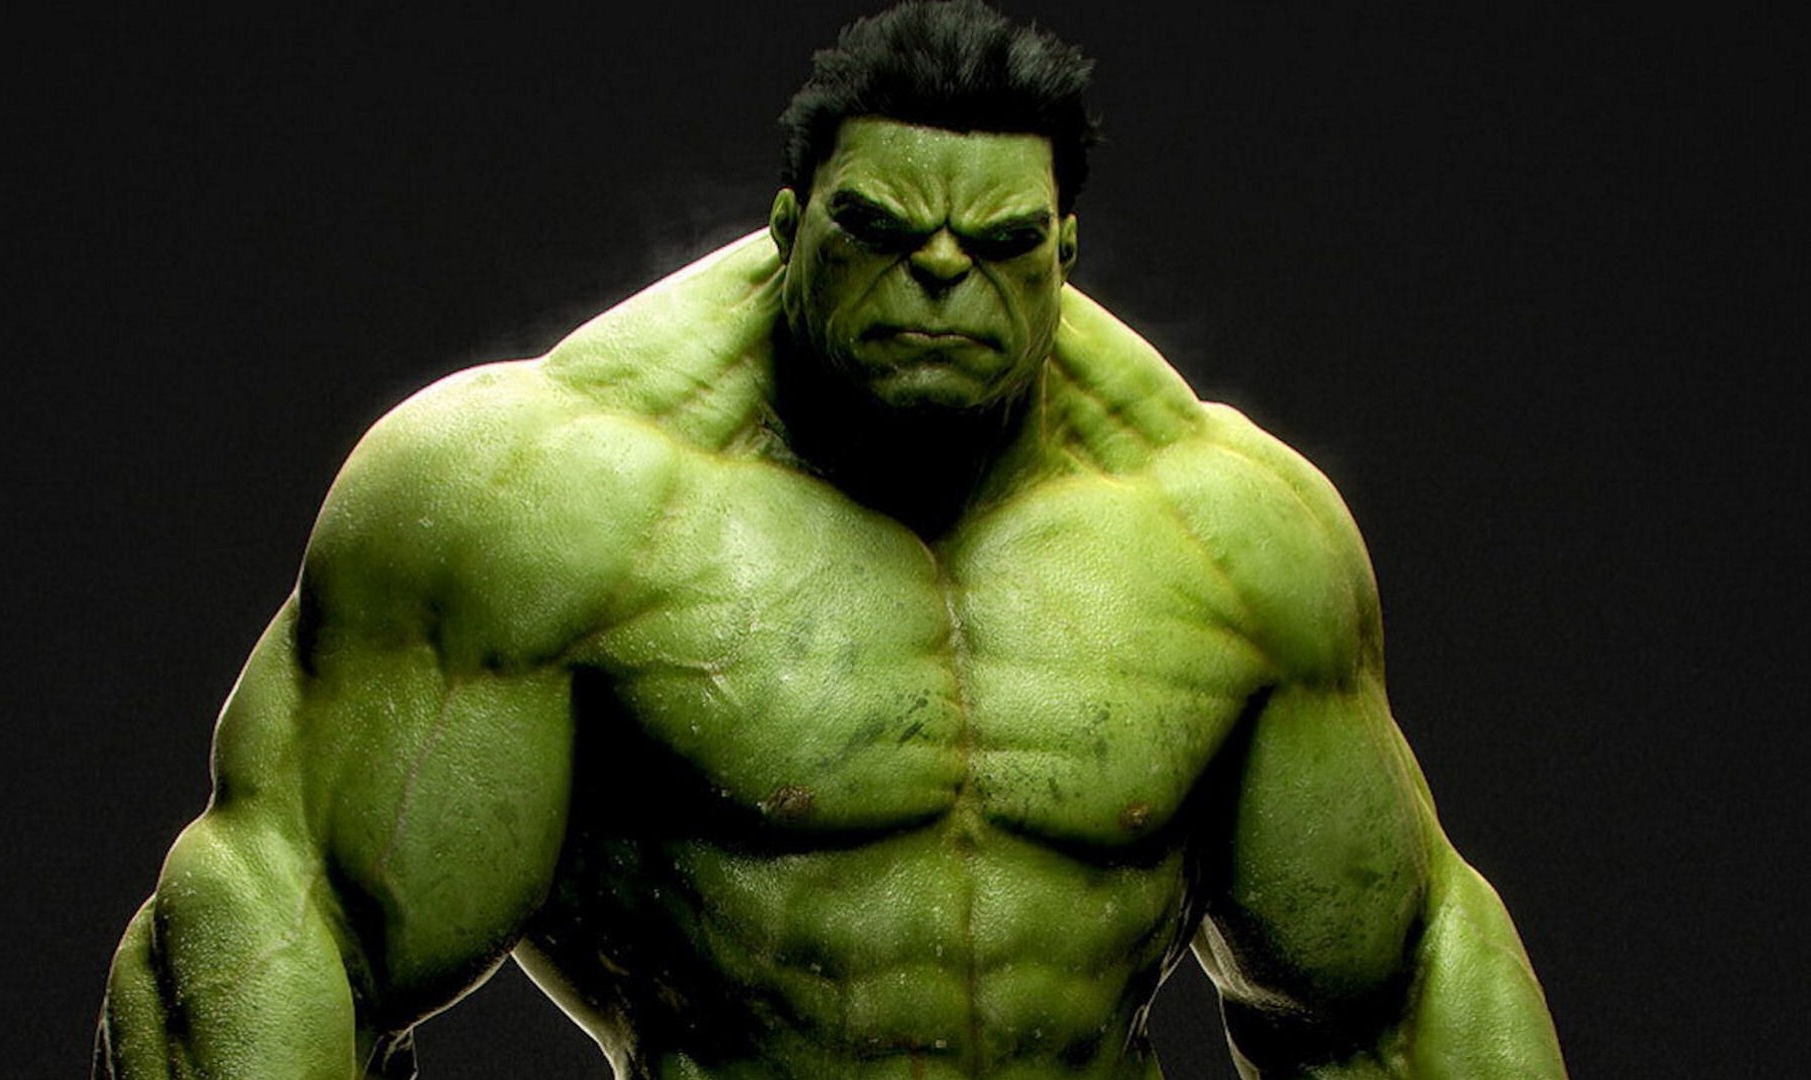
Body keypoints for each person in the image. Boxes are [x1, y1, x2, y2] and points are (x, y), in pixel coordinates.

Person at [95, 2, 1566, 1077]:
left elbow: (1396, 1001)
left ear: (1064, 251)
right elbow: (271, 924)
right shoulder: (536, 500)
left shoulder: (1231, 537)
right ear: (791, 222)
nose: (940, 279)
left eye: (999, 246)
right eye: (881, 233)